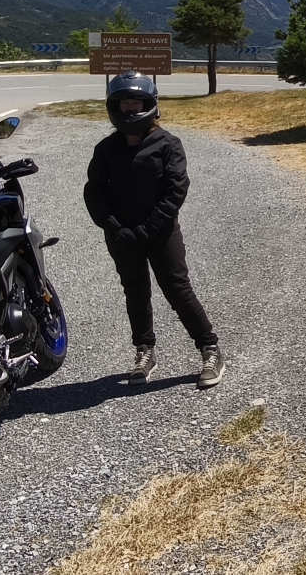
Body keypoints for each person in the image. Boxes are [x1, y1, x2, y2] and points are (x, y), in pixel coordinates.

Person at [83, 70, 225, 388]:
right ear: (114, 108)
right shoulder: (106, 148)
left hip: (161, 233)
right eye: (124, 103)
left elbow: (176, 189)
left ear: (150, 105)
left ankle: (210, 348)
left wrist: (150, 227)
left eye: (137, 102)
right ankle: (144, 351)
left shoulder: (167, 144)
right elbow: (94, 192)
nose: (131, 109)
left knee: (177, 289)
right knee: (135, 291)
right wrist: (114, 227)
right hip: (122, 235)